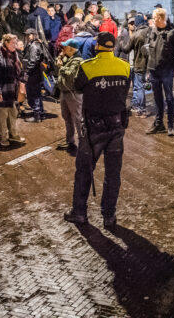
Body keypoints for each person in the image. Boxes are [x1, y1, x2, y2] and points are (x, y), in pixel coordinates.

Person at [64, 32, 131, 228]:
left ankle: (79, 212)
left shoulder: (87, 66)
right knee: (113, 173)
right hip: (117, 126)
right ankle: (109, 216)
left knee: (84, 170)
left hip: (94, 129)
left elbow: (77, 88)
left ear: (98, 46)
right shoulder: (125, 67)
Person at [146, 8, 174, 137]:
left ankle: (170, 125)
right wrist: (148, 69)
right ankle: (159, 124)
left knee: (169, 98)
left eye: (154, 17)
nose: (152, 19)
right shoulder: (152, 30)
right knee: (157, 98)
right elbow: (149, 48)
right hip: (153, 70)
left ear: (160, 18)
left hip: (166, 70)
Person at [0, 34, 27, 149]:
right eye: (12, 43)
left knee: (12, 114)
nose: (15, 45)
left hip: (12, 91)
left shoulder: (15, 55)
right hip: (3, 91)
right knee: (2, 116)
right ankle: (3, 138)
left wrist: (22, 82)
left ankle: (13, 135)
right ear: (5, 42)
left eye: (16, 43)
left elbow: (20, 71)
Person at [56, 38, 84, 153]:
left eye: (65, 47)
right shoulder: (68, 57)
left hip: (73, 93)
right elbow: (58, 62)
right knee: (67, 117)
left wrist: (61, 67)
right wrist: (60, 57)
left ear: (72, 49)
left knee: (78, 118)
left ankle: (83, 142)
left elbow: (70, 74)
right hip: (64, 92)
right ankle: (70, 140)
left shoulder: (77, 60)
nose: (63, 48)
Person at [23, 28, 47, 122]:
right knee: (37, 95)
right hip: (36, 73)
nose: (27, 36)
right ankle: (40, 114)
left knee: (33, 95)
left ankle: (37, 116)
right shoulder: (37, 44)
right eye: (27, 35)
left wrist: (27, 72)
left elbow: (32, 61)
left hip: (33, 74)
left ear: (34, 35)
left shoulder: (34, 46)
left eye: (29, 35)